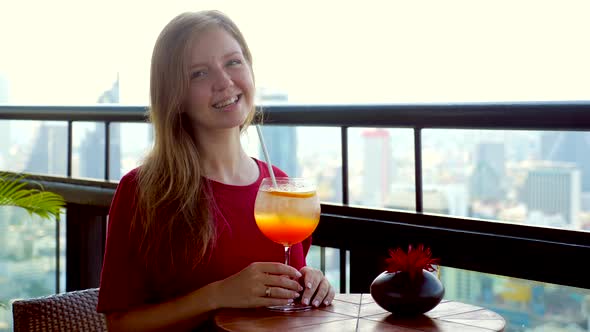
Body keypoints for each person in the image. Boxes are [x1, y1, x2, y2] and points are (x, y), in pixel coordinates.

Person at [96, 10, 335, 331]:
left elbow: (284, 303)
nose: (224, 82)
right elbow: (120, 324)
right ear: (175, 96)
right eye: (198, 73)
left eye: (233, 62)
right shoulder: (142, 191)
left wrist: (312, 285)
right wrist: (218, 295)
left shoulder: (278, 188)